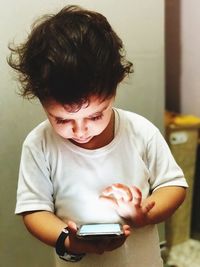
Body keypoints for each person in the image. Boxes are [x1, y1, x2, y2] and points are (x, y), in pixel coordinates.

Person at [8, 5, 188, 267]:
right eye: (62, 120)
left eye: (94, 116)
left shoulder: (141, 131)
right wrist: (68, 241)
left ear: (115, 87)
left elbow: (173, 186)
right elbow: (34, 211)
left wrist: (145, 214)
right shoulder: (39, 145)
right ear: (41, 100)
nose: (80, 131)